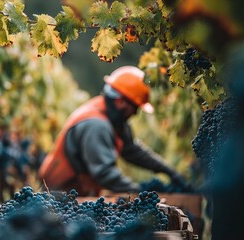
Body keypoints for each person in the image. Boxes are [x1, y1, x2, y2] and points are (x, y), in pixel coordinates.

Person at [38, 66, 187, 196]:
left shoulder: (113, 118)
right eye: (135, 107)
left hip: (76, 195)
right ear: (121, 101)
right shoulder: (96, 125)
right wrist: (138, 192)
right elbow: (104, 173)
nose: (135, 113)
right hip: (57, 195)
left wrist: (168, 171)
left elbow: (132, 151)